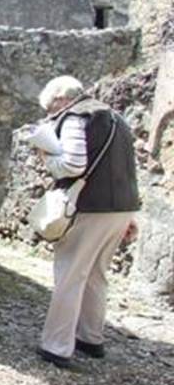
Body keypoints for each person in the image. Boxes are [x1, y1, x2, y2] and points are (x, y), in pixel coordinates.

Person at [34, 75, 139, 368]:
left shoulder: (75, 117)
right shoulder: (117, 119)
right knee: (96, 274)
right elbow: (128, 169)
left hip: (90, 207)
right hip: (120, 208)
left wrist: (47, 158)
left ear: (60, 99)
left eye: (50, 108)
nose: (50, 114)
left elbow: (73, 164)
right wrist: (130, 213)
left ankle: (56, 345)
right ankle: (90, 338)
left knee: (70, 273)